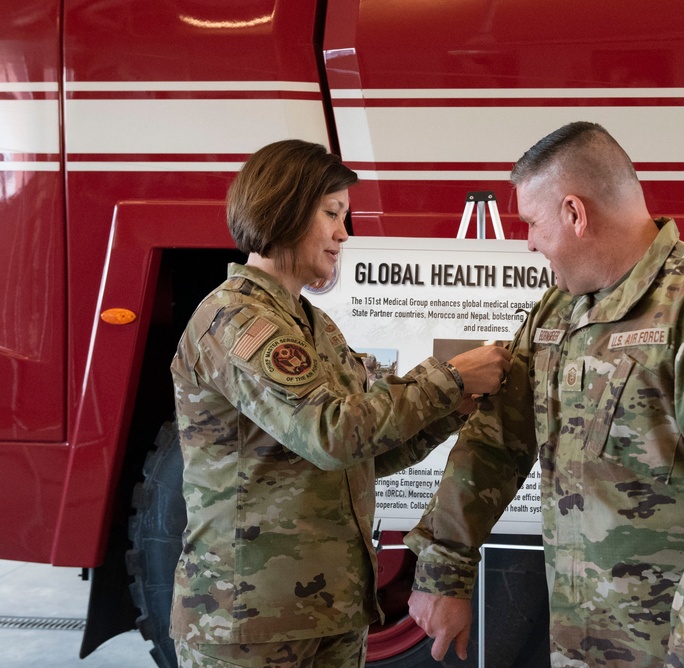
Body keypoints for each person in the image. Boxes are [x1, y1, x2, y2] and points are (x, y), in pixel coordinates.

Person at [404, 122, 684, 667]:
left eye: (532, 222)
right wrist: (443, 572)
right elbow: (496, 444)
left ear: (575, 213)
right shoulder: (557, 315)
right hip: (586, 646)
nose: (528, 242)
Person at [169, 139, 512, 668]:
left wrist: (456, 406)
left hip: (328, 612)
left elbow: (367, 454)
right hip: (248, 623)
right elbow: (331, 434)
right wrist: (450, 377)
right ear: (283, 208)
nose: (342, 235)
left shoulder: (312, 325)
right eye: (331, 214)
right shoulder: (236, 320)